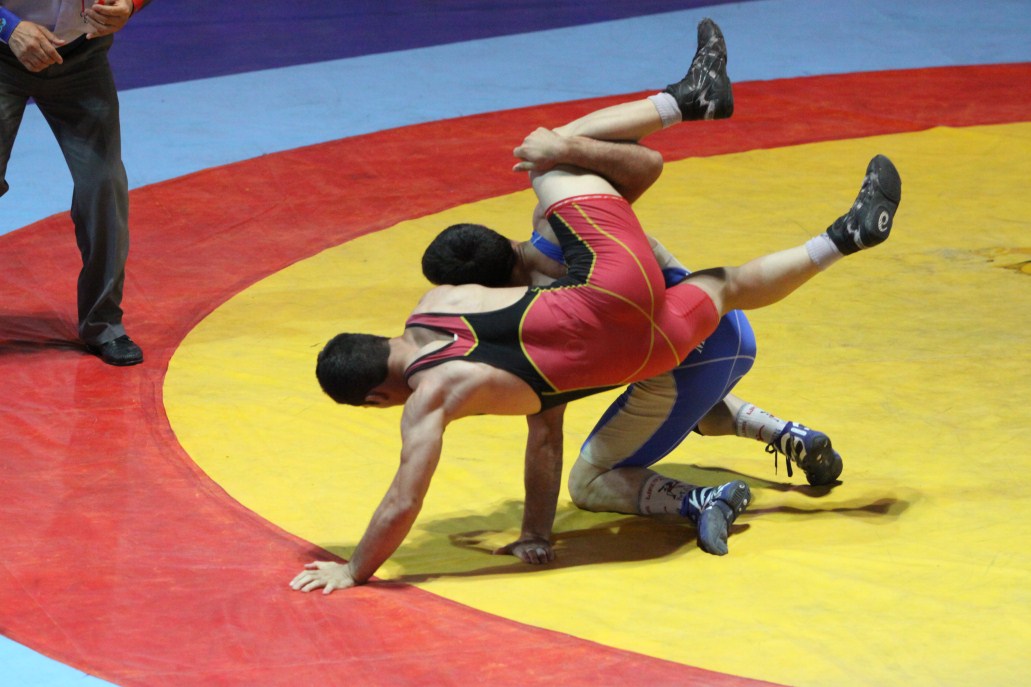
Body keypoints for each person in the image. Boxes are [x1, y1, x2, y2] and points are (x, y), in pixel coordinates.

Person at [290, 19, 902, 594]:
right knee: (544, 160)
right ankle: (684, 103)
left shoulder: (433, 399)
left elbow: (412, 495)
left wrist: (355, 569)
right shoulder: (439, 301)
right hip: (619, 290)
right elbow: (642, 169)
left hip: (646, 351)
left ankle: (841, 240)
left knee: (722, 287)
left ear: (377, 398)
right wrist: (562, 150)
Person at [0, 0, 148, 365]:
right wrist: (8, 27)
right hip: (2, 53)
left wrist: (130, 5)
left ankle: (104, 323)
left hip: (82, 56)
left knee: (104, 187)